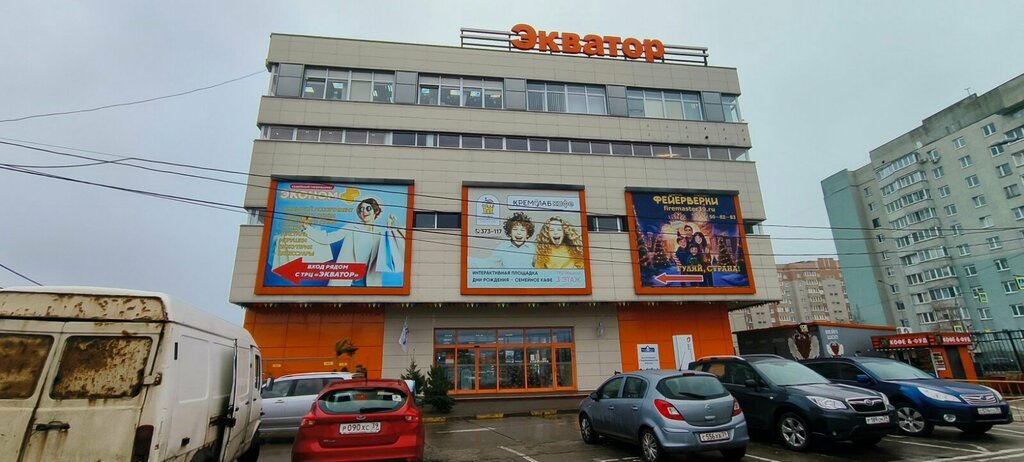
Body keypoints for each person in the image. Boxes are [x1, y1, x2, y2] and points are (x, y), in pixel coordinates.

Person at [302, 197, 406, 286]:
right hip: (347, 282)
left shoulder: (381, 232)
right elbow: (328, 238)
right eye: (361, 209)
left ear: (376, 211)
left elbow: (392, 252)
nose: (364, 212)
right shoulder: (351, 227)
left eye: (368, 208)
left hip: (370, 282)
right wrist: (307, 228)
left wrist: (390, 227)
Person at [469, 212, 536, 269]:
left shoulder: (533, 248)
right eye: (515, 229)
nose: (519, 233)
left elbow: (539, 267)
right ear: (510, 233)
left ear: (527, 234)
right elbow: (487, 263)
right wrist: (467, 260)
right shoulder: (503, 247)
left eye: (523, 230)